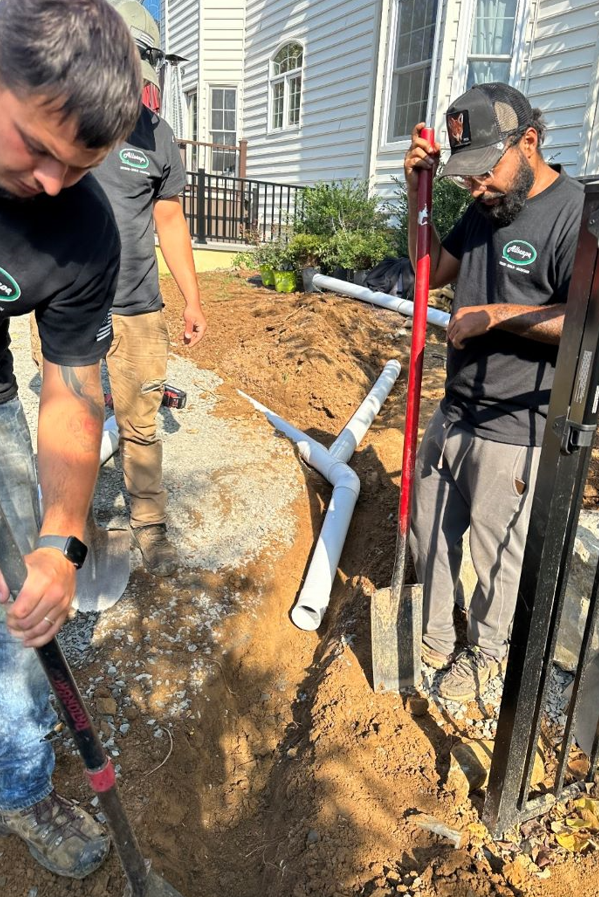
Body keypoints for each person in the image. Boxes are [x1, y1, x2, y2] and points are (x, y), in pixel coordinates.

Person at [0, 0, 141, 878]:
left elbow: (73, 388)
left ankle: (16, 785)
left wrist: (58, 542)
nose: (53, 182)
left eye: (78, 164)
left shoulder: (83, 228)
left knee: (16, 619)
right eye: (37, 147)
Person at [405, 83, 585, 703]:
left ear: (528, 141)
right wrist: (417, 192)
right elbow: (427, 263)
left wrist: (495, 316)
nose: (476, 186)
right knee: (426, 529)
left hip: (516, 426)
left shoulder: (573, 214)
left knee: (496, 554)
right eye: (464, 177)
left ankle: (485, 654)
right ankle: (431, 638)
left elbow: (583, 323)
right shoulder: (487, 203)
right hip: (455, 408)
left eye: (483, 171)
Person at [94, 0, 207, 576]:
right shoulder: (61, 120)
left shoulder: (158, 137)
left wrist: (191, 297)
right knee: (77, 421)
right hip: (72, 307)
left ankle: (149, 525)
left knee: (139, 423)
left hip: (139, 308)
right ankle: (69, 528)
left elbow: (169, 220)